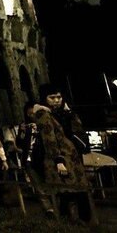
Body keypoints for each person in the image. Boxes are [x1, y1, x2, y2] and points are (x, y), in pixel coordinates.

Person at [35, 84, 97, 224]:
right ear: (45, 99)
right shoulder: (43, 114)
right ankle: (71, 223)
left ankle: (81, 221)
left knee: (77, 191)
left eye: (59, 97)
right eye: (52, 97)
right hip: (61, 158)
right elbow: (48, 138)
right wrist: (58, 160)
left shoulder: (63, 113)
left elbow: (78, 129)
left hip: (73, 157)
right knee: (67, 193)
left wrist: (70, 113)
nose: (57, 100)